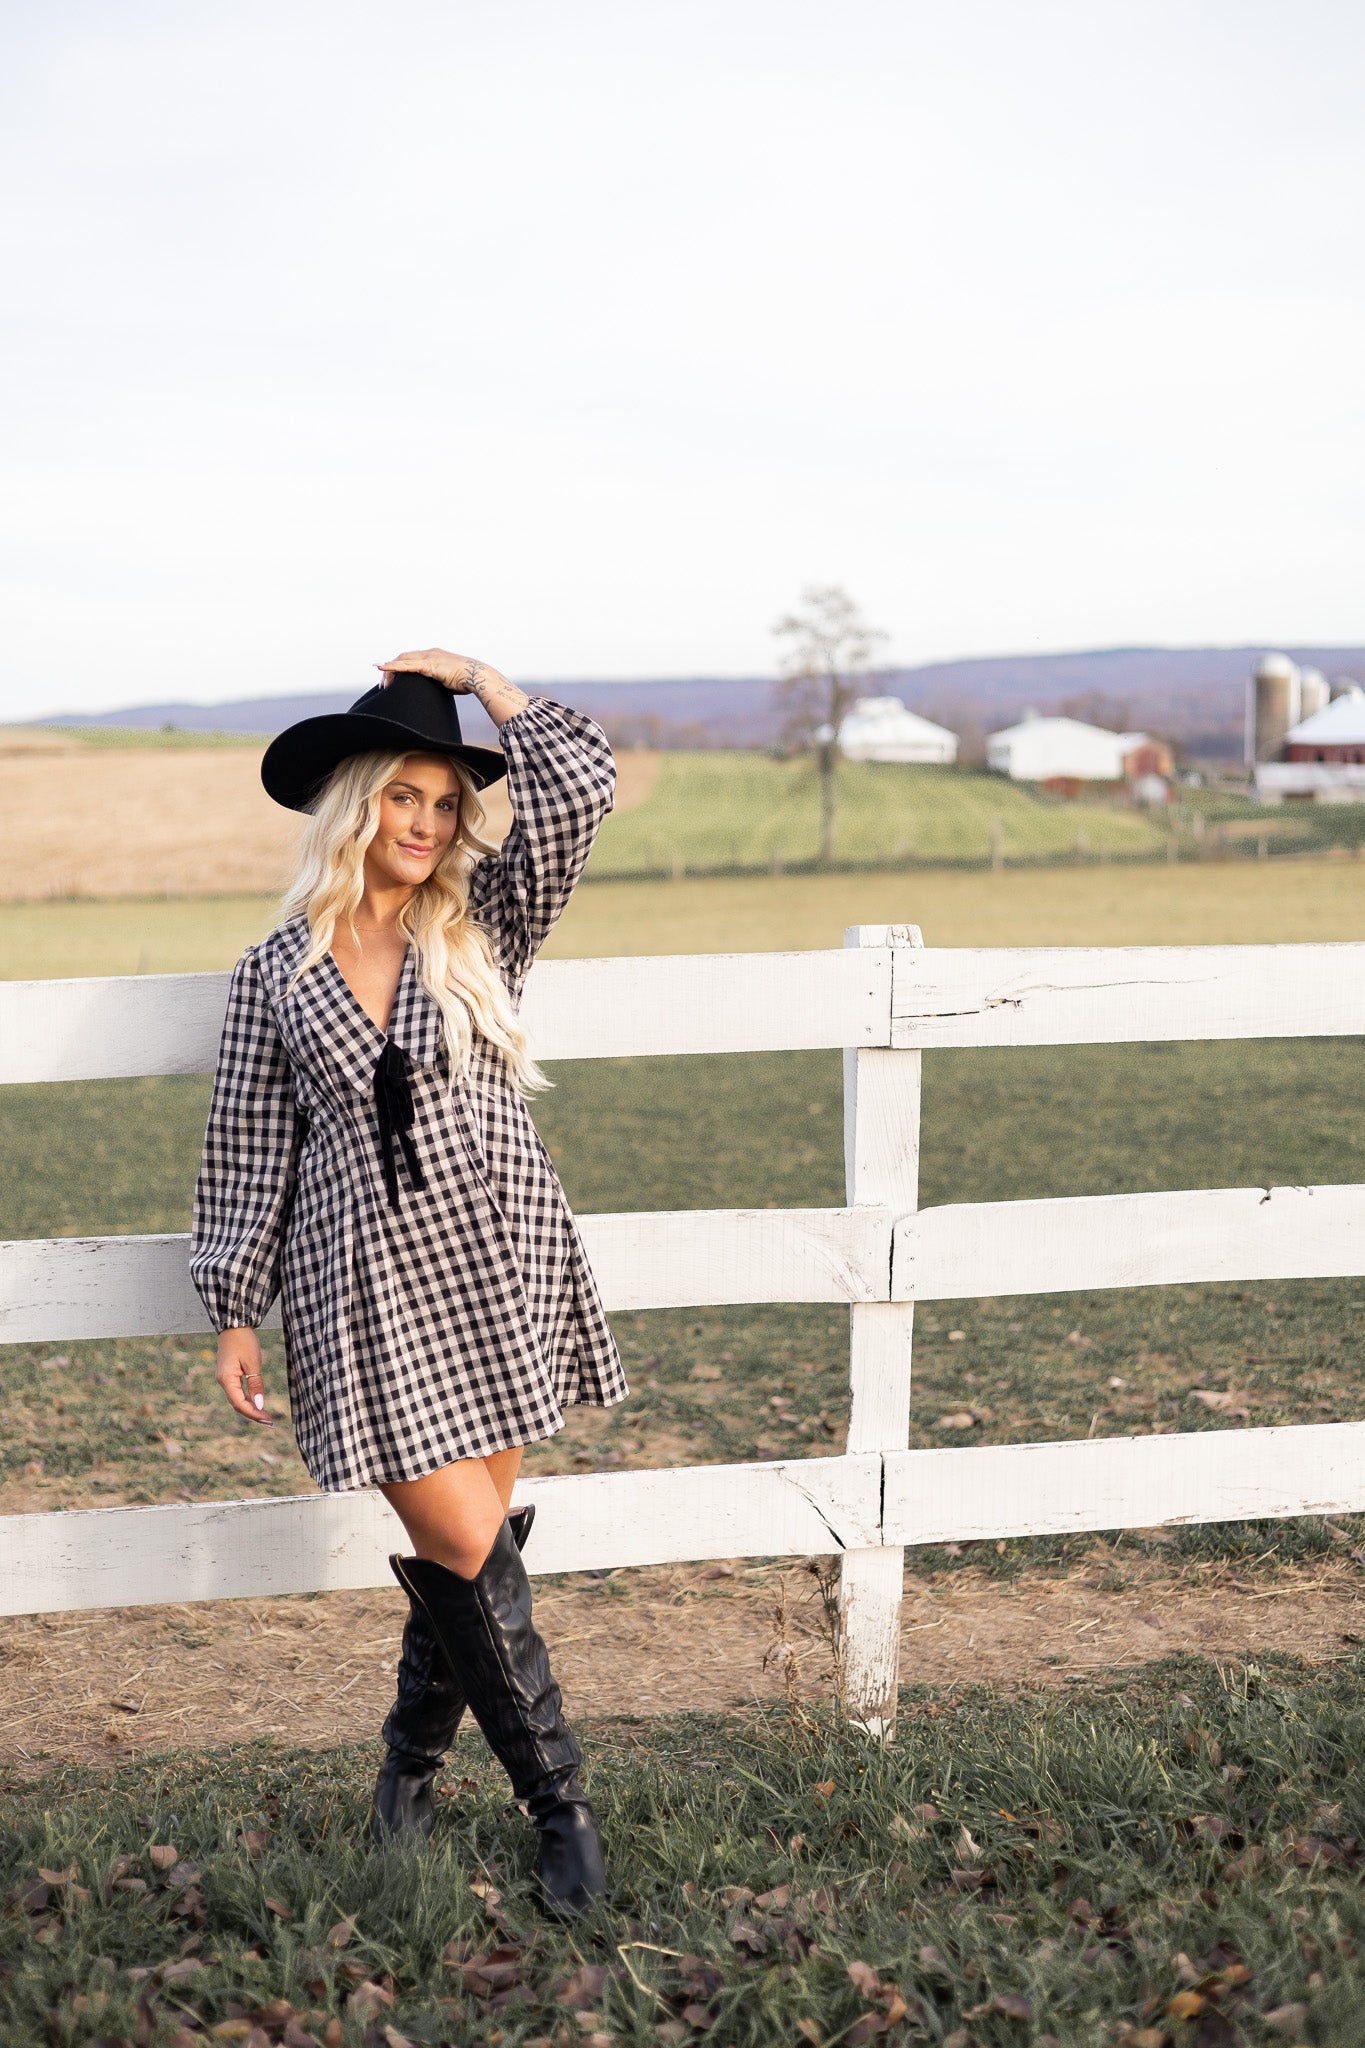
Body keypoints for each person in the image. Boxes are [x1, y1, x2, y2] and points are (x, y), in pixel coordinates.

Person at [190, 648, 628, 1917]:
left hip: (497, 1258)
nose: (429, 824)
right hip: (361, 1288)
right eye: (406, 798)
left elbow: (584, 785)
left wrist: (487, 678)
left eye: (447, 803)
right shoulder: (275, 972)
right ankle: (565, 1815)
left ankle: (404, 1779)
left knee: (466, 1555)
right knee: (464, 1539)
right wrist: (233, 1301)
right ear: (357, 803)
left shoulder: (486, 920)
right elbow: (246, 1138)